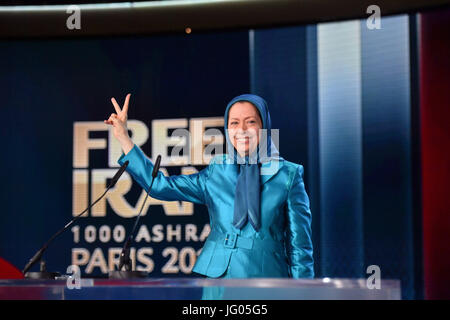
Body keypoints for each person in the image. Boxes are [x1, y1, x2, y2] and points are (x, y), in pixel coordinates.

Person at [104, 93, 314, 284]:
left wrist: (302, 293)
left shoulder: (288, 175)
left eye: (251, 122)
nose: (241, 130)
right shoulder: (217, 171)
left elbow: (300, 247)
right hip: (218, 279)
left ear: (265, 127)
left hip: (266, 279)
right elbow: (158, 186)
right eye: (234, 123)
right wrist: (124, 137)